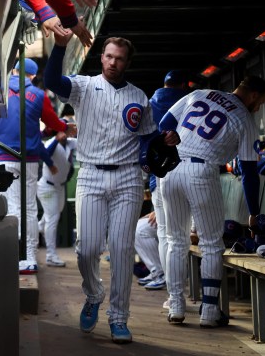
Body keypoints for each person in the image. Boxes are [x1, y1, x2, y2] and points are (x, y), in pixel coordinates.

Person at [44, 31, 180, 344]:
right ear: (101, 57)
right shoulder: (83, 86)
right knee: (87, 248)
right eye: (108, 56)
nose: (112, 62)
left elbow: (148, 139)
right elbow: (52, 80)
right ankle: (94, 295)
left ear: (127, 62)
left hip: (127, 178)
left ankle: (119, 317)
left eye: (119, 58)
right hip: (90, 174)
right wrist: (60, 45)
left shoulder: (139, 97)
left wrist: (166, 139)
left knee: (121, 250)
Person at [159, 75, 265, 328]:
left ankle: (176, 305)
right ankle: (209, 310)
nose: (259, 106)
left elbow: (165, 121)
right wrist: (254, 213)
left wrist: (171, 140)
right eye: (260, 101)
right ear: (252, 95)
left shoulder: (200, 94)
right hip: (201, 170)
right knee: (211, 244)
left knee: (176, 240)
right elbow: (249, 172)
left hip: (171, 168)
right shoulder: (244, 117)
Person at [0, 57, 75, 275]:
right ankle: (29, 257)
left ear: (14, 71)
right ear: (32, 76)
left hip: (2, 157)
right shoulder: (39, 95)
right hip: (29, 160)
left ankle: (13, 256)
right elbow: (53, 123)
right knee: (29, 208)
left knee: (11, 207)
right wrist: (63, 127)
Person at [147, 70, 189, 305]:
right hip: (191, 173)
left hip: (160, 176)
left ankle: (174, 296)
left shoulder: (150, 104)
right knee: (193, 237)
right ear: (184, 84)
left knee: (167, 236)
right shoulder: (188, 100)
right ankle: (207, 300)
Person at [36, 108, 77, 267]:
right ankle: (51, 255)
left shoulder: (69, 143)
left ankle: (38, 228)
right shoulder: (51, 142)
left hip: (59, 187)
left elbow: (79, 142)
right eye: (64, 128)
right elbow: (45, 152)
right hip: (47, 187)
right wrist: (57, 138)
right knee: (53, 219)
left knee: (51, 216)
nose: (66, 132)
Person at [135, 208, 166, 290]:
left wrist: (160, 211)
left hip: (180, 215)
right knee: (135, 226)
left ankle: (161, 273)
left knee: (140, 230)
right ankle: (156, 271)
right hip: (167, 210)